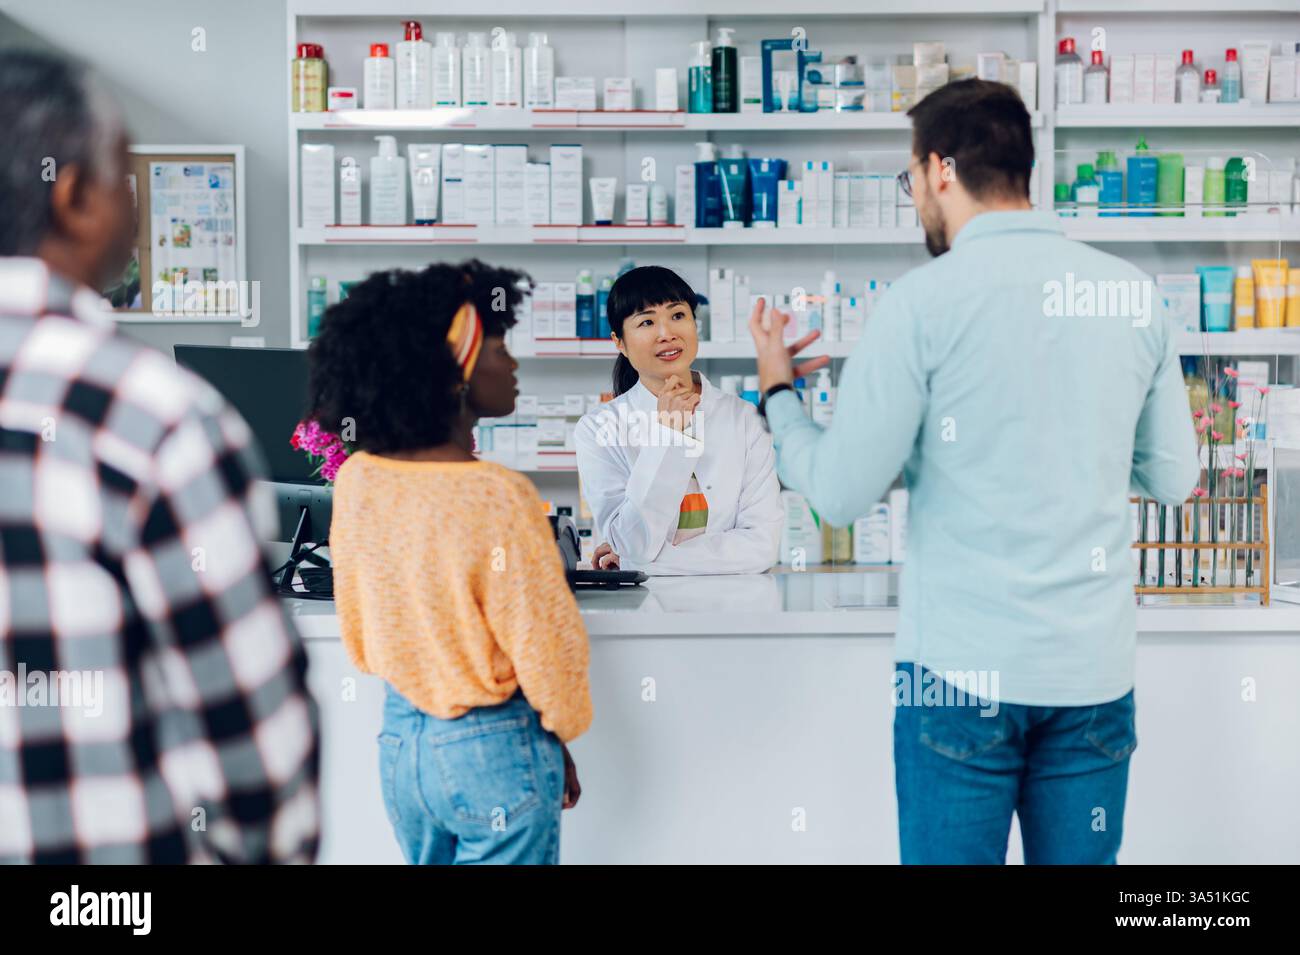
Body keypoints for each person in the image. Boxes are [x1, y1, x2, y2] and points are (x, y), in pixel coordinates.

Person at [749, 79, 1199, 864]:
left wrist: (780, 394)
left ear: (940, 171)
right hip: (1090, 676)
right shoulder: (1131, 296)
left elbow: (842, 492)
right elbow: (1173, 479)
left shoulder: (920, 305)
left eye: (912, 180)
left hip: (957, 681)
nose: (917, 196)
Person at [0, 50, 319, 863]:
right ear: (73, 196)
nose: (136, 202)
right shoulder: (150, 417)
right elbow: (254, 745)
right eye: (126, 174)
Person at [309, 261, 591, 865]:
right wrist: (555, 736)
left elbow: (358, 630)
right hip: (496, 749)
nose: (511, 364)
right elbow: (548, 650)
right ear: (456, 366)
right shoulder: (496, 495)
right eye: (498, 347)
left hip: (401, 746)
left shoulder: (357, 480)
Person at [575, 266, 786, 575]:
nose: (667, 333)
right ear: (619, 342)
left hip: (737, 607)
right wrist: (667, 438)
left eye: (677, 316)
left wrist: (642, 562)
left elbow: (762, 546)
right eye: (647, 322)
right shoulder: (599, 428)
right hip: (643, 610)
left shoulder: (745, 419)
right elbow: (634, 543)